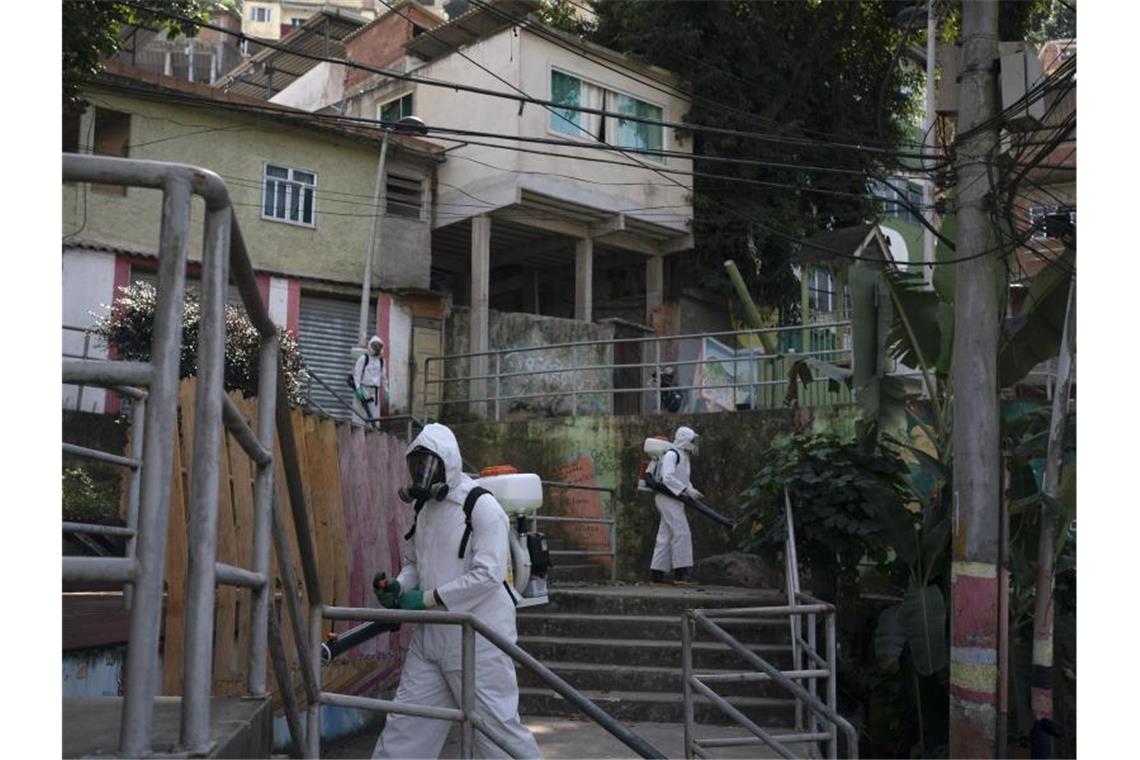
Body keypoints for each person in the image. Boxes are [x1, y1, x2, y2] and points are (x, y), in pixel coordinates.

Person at [372, 423, 542, 759]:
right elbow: (414, 564)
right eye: (416, 467)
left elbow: (489, 574)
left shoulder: (481, 506)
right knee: (405, 729)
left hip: (479, 640)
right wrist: (399, 586)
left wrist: (426, 599)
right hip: (432, 639)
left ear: (447, 462)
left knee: (498, 735)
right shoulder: (423, 509)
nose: (422, 474)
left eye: (428, 465)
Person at [650, 425, 703, 586]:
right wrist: (686, 490)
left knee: (665, 536)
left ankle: (657, 574)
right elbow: (668, 477)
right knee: (682, 532)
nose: (694, 444)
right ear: (684, 440)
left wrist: (692, 490)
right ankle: (682, 574)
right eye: (692, 441)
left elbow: (683, 479)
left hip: (674, 499)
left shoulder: (683, 456)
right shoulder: (672, 454)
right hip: (667, 498)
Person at [352, 335, 387, 429]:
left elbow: (383, 377)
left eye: (378, 346)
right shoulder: (364, 358)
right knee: (360, 415)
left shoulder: (382, 361)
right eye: (375, 346)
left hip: (374, 391)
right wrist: (358, 388)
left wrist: (386, 390)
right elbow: (357, 374)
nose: (376, 348)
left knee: (373, 416)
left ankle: (371, 433)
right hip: (364, 388)